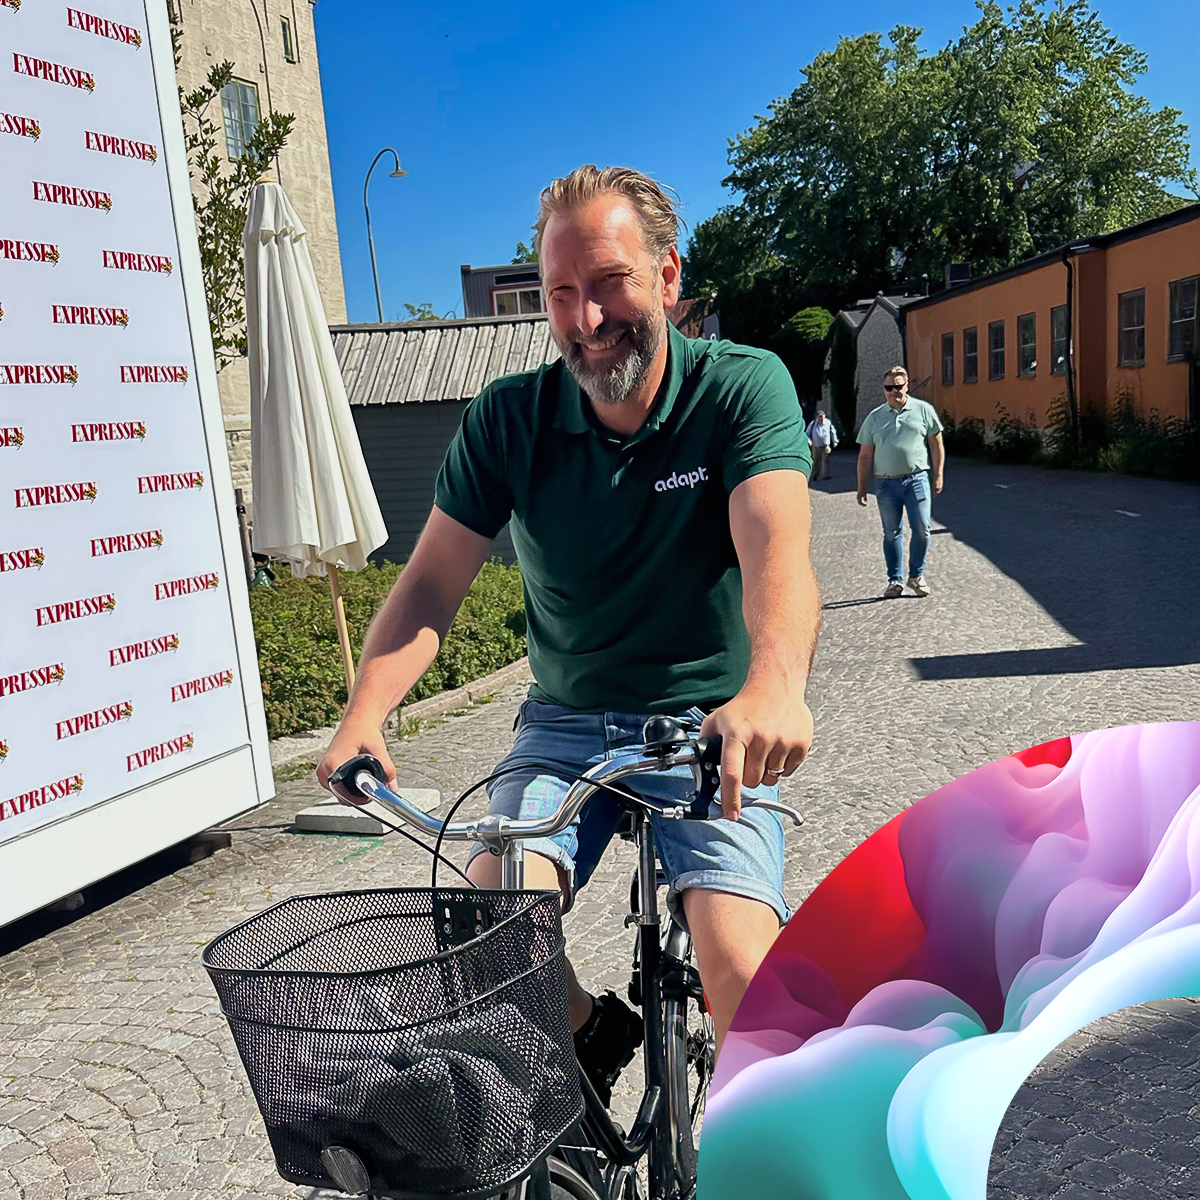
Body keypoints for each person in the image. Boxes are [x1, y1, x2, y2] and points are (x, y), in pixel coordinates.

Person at [318, 165, 821, 1106]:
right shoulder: (509, 419)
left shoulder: (741, 390)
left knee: (745, 976)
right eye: (561, 294)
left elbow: (778, 553)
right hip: (565, 722)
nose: (586, 320)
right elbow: (429, 584)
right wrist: (364, 711)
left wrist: (775, 683)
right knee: (484, 932)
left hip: (712, 723)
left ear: (669, 277)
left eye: (610, 284)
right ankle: (593, 1032)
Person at [855, 366, 944, 599]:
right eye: (889, 387)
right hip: (886, 485)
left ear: (907, 386)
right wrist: (861, 485)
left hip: (917, 480)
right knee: (891, 532)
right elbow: (865, 455)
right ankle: (895, 580)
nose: (894, 391)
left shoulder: (923, 410)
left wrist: (938, 475)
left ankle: (916, 576)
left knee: (923, 529)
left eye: (898, 386)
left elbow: (936, 444)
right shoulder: (874, 418)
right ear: (884, 390)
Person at [806, 409, 838, 479]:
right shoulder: (813, 423)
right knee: (815, 461)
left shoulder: (828, 423)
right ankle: (814, 475)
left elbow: (833, 432)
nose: (821, 418)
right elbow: (807, 433)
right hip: (816, 446)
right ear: (817, 417)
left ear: (825, 416)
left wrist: (835, 441)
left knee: (825, 460)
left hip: (825, 446)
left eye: (822, 416)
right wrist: (809, 441)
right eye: (819, 417)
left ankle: (826, 475)